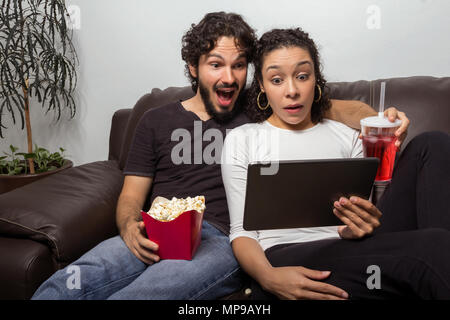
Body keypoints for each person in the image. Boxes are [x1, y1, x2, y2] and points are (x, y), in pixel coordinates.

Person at [32, 13, 408, 300]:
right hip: (161, 229)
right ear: (193, 68)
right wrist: (130, 227)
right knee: (63, 287)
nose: (229, 77)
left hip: (224, 238)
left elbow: (342, 110)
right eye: (215, 64)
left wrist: (385, 119)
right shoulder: (155, 119)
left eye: (239, 65)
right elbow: (131, 196)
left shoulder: (263, 104)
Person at [221, 27, 450, 300]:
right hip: (286, 255)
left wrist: (358, 226)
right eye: (277, 79)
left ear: (316, 79)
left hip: (349, 248)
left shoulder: (348, 136)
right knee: (434, 247)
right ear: (261, 84)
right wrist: (269, 278)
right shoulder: (243, 139)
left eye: (302, 76)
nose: (292, 91)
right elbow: (241, 232)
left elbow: (354, 219)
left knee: (432, 144)